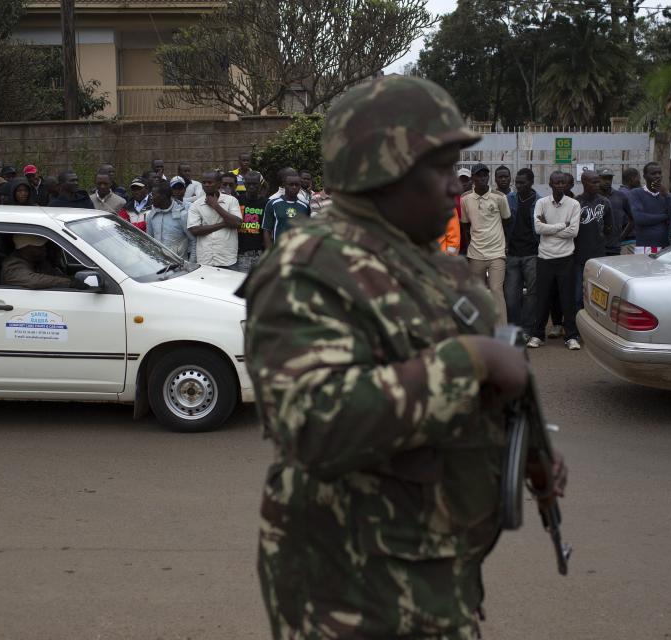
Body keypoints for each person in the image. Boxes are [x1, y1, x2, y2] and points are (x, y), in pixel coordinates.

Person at [239, 74, 566, 640]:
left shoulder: (430, 266)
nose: (454, 187)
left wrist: (529, 455)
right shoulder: (310, 269)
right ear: (379, 170)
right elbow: (312, 423)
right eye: (439, 170)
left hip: (431, 571)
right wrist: (469, 361)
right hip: (351, 590)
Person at [528, 171, 581, 349]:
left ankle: (571, 336)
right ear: (550, 184)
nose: (560, 185)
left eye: (563, 183)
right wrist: (561, 225)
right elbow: (537, 228)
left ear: (567, 185)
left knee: (567, 299)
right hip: (544, 258)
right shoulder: (541, 203)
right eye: (556, 182)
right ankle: (537, 335)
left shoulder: (574, 204)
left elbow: (573, 232)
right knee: (542, 299)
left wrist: (549, 228)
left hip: (566, 258)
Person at [460, 163, 510, 326]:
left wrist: (505, 245)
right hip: (476, 254)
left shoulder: (499, 197)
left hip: (497, 253)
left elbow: (507, 221)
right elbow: (465, 225)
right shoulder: (465, 198)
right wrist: (469, 247)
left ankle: (502, 330)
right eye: (479, 175)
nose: (482, 178)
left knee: (496, 290)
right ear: (473, 178)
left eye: (485, 175)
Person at [503, 167, 539, 339]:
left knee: (532, 295)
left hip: (532, 254)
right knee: (511, 295)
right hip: (513, 254)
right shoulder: (509, 199)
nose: (518, 186)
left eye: (522, 183)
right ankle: (514, 328)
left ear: (531, 182)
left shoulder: (539, 202)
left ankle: (527, 329)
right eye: (516, 182)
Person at [574, 170, 612, 310]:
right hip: (578, 257)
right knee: (578, 294)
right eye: (593, 182)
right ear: (584, 182)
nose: (597, 184)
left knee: (597, 295)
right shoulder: (576, 203)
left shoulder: (604, 202)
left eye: (598, 181)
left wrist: (601, 240)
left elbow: (609, 227)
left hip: (598, 257)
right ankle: (577, 327)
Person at [188, 171, 242, 269]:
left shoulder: (231, 201)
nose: (206, 185)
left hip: (227, 259)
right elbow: (194, 230)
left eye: (210, 182)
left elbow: (237, 223)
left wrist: (215, 205)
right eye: (204, 183)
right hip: (205, 260)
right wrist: (223, 224)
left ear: (219, 184)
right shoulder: (196, 205)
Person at [628, 162, 671, 253]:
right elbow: (640, 218)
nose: (657, 176)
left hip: (666, 245)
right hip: (645, 246)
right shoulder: (636, 193)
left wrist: (667, 195)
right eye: (653, 173)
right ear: (645, 176)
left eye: (659, 173)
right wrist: (665, 216)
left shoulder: (667, 195)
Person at [1, 235, 72, 289]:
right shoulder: (12, 265)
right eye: (39, 246)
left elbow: (53, 274)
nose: (44, 248)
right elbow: (33, 281)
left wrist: (74, 281)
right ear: (25, 248)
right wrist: (68, 283)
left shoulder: (36, 260)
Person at [147, 181, 194, 262]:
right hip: (157, 265)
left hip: (180, 267)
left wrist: (192, 263)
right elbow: (149, 241)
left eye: (154, 195)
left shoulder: (182, 215)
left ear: (164, 196)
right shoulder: (151, 215)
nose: (151, 197)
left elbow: (193, 241)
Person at [262, 172, 311, 250]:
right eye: (291, 184)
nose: (294, 187)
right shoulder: (272, 204)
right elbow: (266, 231)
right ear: (284, 185)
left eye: (297, 185)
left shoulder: (305, 207)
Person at [234, 171, 268, 272]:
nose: (252, 187)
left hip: (259, 253)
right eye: (249, 184)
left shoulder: (266, 203)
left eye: (255, 184)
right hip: (240, 253)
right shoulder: (237, 201)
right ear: (244, 184)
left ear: (260, 185)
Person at [598, 167, 632, 256]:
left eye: (609, 178)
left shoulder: (620, 196)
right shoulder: (593, 197)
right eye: (604, 178)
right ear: (598, 179)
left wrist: (621, 237)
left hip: (614, 246)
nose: (607, 181)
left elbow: (632, 219)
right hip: (596, 246)